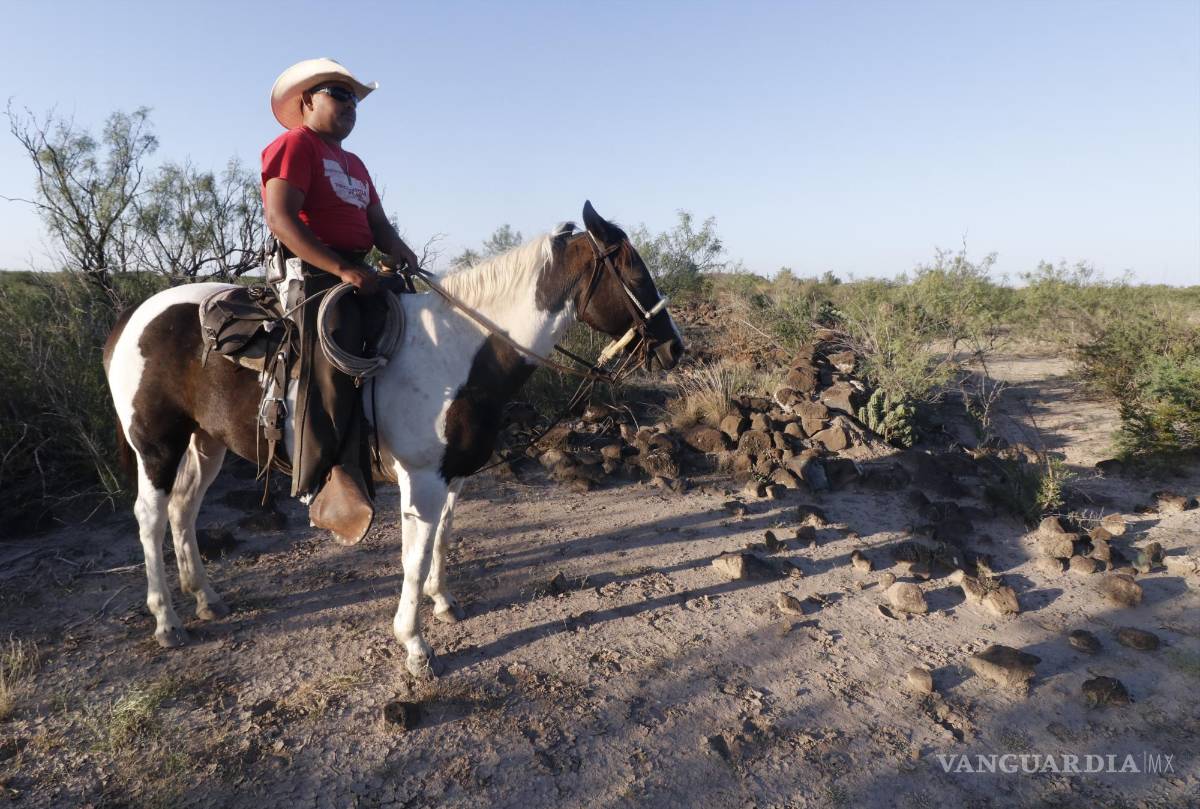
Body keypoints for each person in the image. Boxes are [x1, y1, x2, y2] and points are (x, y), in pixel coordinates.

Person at [261, 57, 420, 544]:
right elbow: (281, 220)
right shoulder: (294, 146)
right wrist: (340, 268)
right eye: (338, 92)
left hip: (356, 270)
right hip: (312, 272)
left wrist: (402, 252)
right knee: (333, 354)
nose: (350, 104)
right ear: (307, 101)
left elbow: (378, 225)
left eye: (354, 97)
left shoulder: (355, 164)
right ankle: (323, 475)